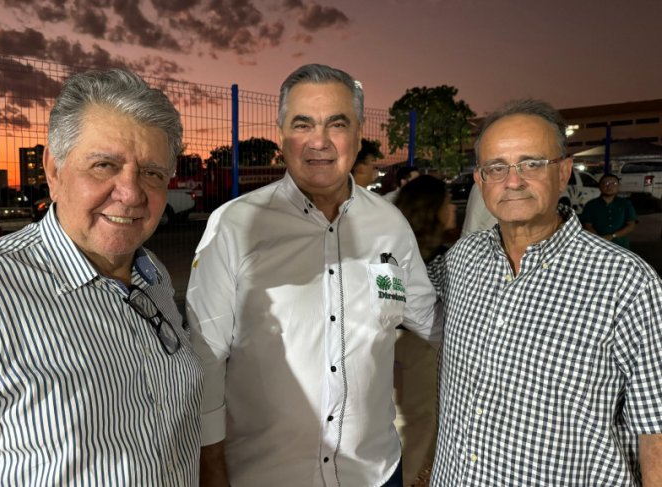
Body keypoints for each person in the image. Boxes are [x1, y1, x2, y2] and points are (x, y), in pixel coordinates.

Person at [0, 69, 203, 485]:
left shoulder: (153, 279)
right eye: (104, 165)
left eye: (151, 173)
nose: (131, 193)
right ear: (54, 170)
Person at [187, 63, 438, 487]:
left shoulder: (390, 224)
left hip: (375, 473)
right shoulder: (234, 226)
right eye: (303, 124)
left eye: (336, 123)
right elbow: (204, 357)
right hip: (265, 476)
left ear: (358, 134)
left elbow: (429, 319)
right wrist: (211, 466)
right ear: (282, 133)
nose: (319, 141)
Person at [428, 98, 662, 485]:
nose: (513, 180)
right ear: (481, 180)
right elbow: (399, 293)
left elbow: (655, 434)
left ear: (564, 172)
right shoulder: (462, 259)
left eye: (532, 163)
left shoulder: (627, 283)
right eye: (496, 167)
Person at [392, 175, 456, 483]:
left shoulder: (389, 253)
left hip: (392, 345)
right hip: (423, 350)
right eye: (447, 203)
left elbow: (386, 308)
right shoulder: (448, 260)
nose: (453, 209)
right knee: (421, 424)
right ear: (434, 210)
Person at [580, 173, 637, 248]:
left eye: (614, 183)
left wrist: (612, 236)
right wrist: (599, 239)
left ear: (618, 187)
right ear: (600, 186)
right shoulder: (591, 205)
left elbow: (631, 225)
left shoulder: (625, 204)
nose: (609, 186)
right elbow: (587, 225)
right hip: (597, 246)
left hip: (620, 246)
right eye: (606, 183)